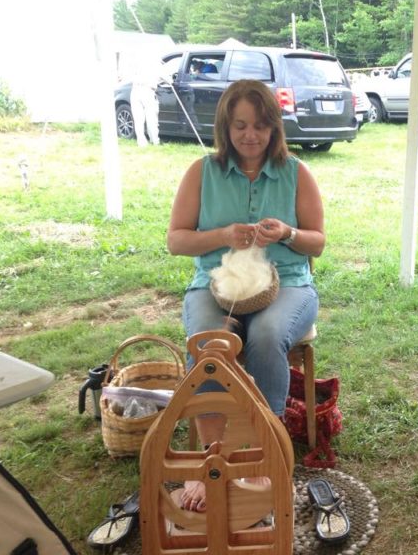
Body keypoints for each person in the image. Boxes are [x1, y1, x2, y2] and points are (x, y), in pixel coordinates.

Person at [166, 79, 325, 512]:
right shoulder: (203, 172)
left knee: (267, 333)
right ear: (225, 127)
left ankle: (261, 452)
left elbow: (317, 243)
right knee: (208, 343)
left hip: (289, 282)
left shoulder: (296, 171)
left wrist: (288, 233)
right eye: (239, 126)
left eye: (259, 126)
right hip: (214, 284)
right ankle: (212, 458)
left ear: (274, 127)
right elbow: (176, 241)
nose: (250, 135)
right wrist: (221, 235)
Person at [129, 54, 162, 147]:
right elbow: (167, 78)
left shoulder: (135, 65)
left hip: (135, 91)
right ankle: (155, 141)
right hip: (148, 91)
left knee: (138, 119)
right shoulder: (154, 65)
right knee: (151, 117)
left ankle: (141, 142)